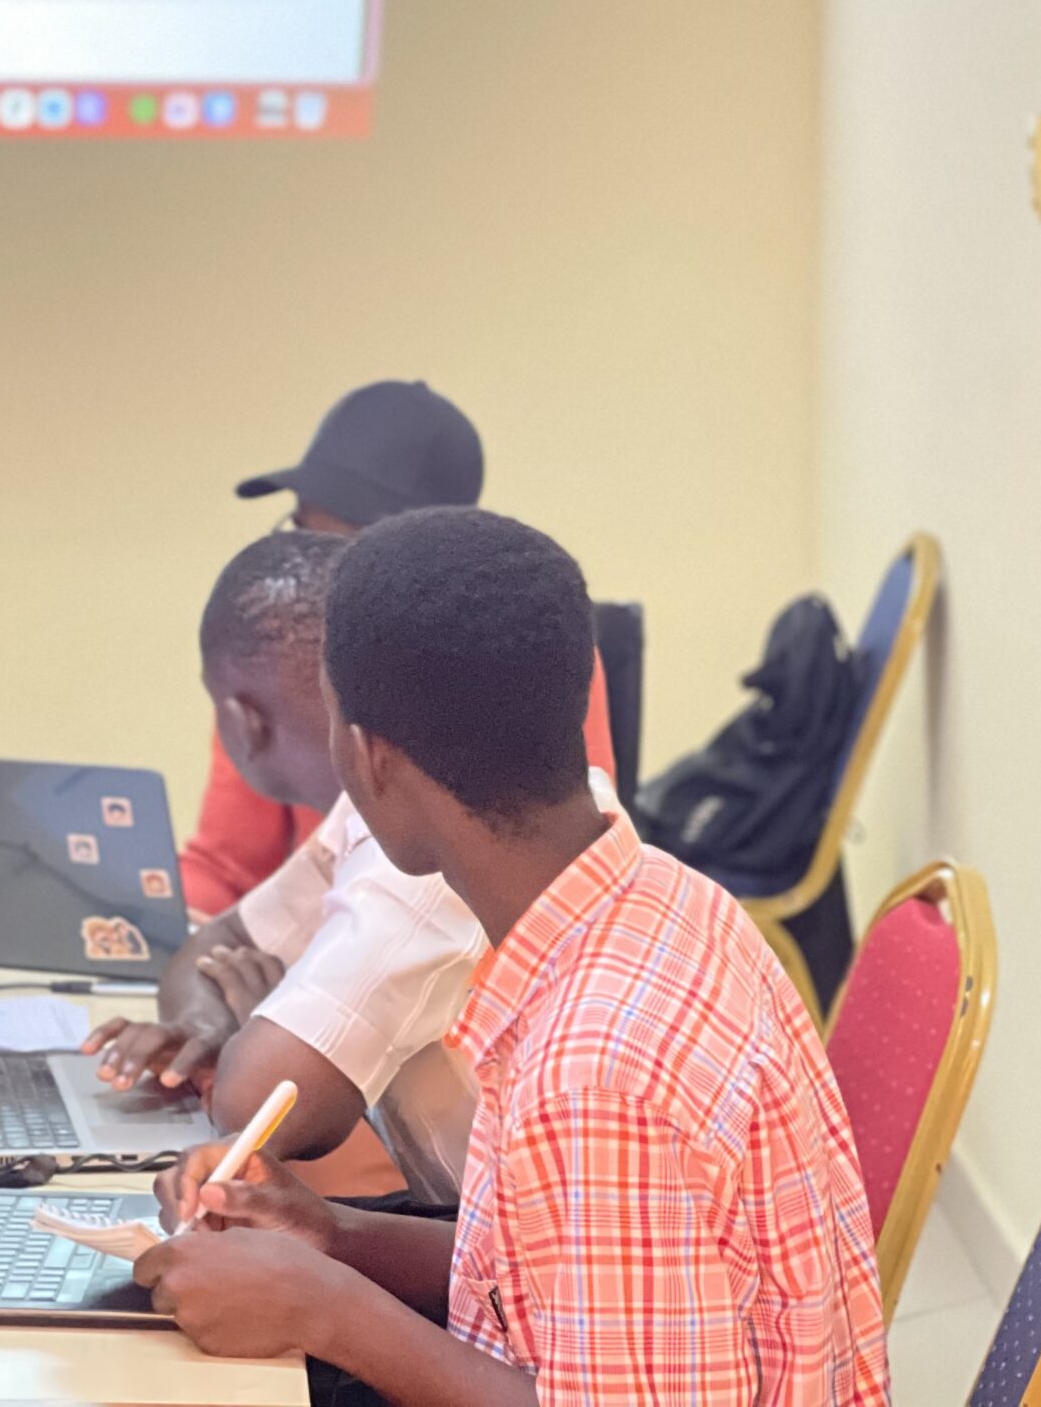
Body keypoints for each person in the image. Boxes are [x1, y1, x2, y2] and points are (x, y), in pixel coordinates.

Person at [133, 508, 890, 1405]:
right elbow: (549, 1268)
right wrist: (332, 1236)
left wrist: (326, 1310)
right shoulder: (666, 899)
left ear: (370, 758)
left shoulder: (593, 1072)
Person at [86, 533, 485, 1166]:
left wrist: (261, 1018)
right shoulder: (368, 808)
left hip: (470, 1221)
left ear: (244, 722)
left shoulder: (418, 850)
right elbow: (213, 944)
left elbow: (258, 1107)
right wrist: (209, 1028)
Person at [182, 381, 489, 916]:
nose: (310, 572)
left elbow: (543, 879)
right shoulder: (273, 652)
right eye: (302, 531)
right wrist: (134, 929)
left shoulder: (522, 650)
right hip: (315, 944)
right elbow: (226, 868)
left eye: (342, 549)